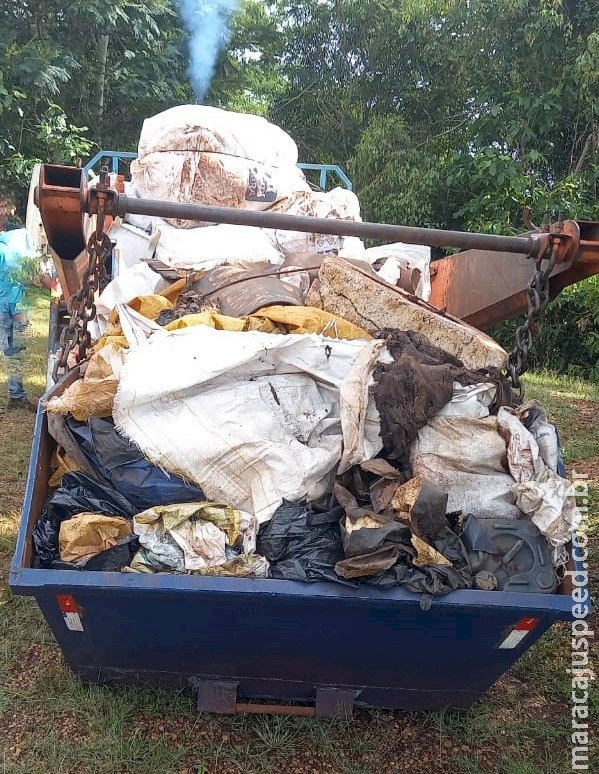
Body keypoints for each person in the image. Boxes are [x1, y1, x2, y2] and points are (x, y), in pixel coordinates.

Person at [0, 198, 38, 412]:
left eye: (3, 208)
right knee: (7, 349)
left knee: (19, 349)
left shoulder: (16, 238)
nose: (3, 212)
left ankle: (17, 395)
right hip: (1, 303)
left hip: (18, 302)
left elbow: (31, 269)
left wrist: (52, 282)